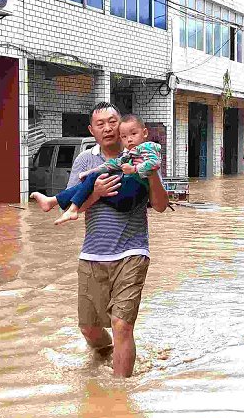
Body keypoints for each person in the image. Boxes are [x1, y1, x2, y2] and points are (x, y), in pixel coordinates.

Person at [65, 102, 168, 378]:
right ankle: (107, 355)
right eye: (101, 124)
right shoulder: (85, 161)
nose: (108, 128)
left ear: (123, 126)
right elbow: (71, 207)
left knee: (122, 324)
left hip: (132, 251)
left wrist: (153, 173)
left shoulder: (140, 155)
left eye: (113, 122)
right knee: (89, 327)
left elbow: (159, 205)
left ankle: (120, 395)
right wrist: (95, 193)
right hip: (93, 254)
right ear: (92, 130)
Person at [30, 114, 160, 224]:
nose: (129, 139)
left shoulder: (147, 148)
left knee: (93, 180)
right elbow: (113, 164)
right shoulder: (129, 154)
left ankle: (61, 205)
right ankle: (56, 203)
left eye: (133, 134)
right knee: (92, 178)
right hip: (125, 196)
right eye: (124, 137)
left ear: (145, 133)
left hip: (132, 193)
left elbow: (154, 163)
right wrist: (91, 173)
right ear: (91, 130)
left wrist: (134, 170)